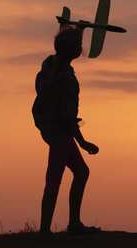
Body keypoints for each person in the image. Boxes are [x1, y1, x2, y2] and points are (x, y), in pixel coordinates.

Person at [32, 24, 100, 235]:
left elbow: (60, 50)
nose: (81, 48)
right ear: (71, 49)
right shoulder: (65, 78)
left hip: (50, 127)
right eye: (78, 44)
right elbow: (68, 117)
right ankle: (46, 230)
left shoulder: (50, 65)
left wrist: (76, 30)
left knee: (81, 172)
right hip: (59, 130)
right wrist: (83, 142)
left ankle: (73, 223)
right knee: (54, 180)